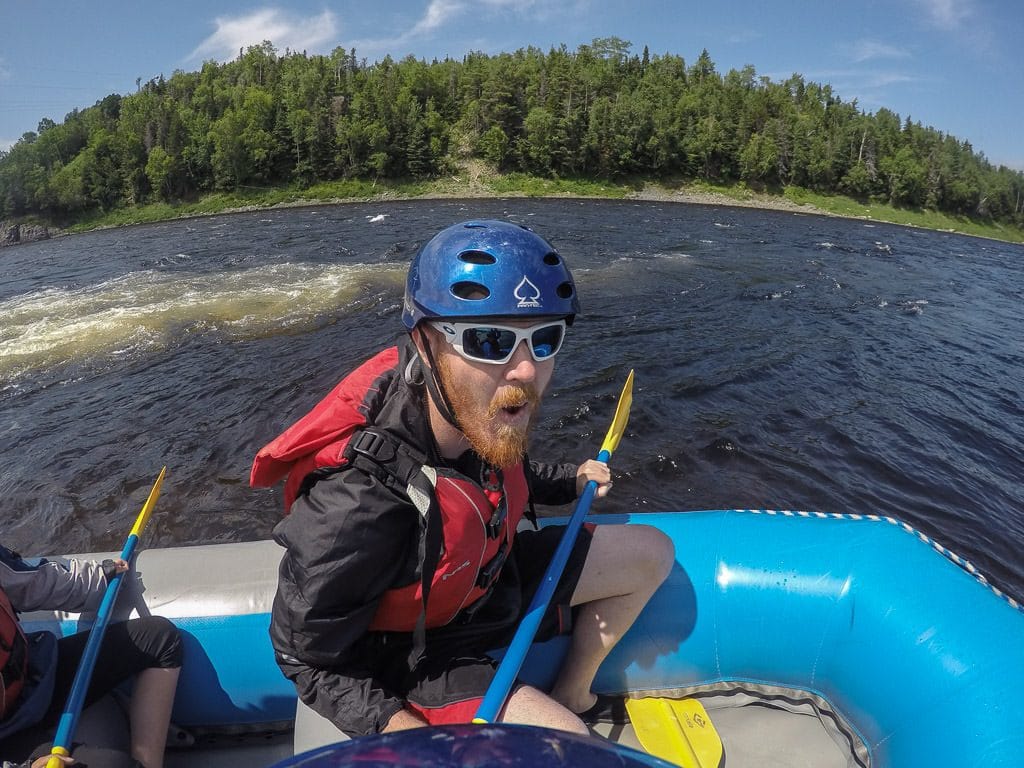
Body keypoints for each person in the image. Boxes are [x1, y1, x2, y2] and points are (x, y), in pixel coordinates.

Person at [251, 219, 674, 738]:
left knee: (653, 552)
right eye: (490, 340)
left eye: (544, 340)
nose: (524, 369)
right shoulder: (355, 505)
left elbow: (500, 476)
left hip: (489, 583)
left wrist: (568, 480)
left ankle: (573, 688)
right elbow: (306, 657)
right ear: (426, 344)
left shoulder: (471, 409)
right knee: (570, 747)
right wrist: (400, 730)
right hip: (420, 653)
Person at [1, 544, 182, 768]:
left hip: (33, 678)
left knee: (159, 638)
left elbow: (31, 583)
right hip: (7, 737)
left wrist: (100, 576)